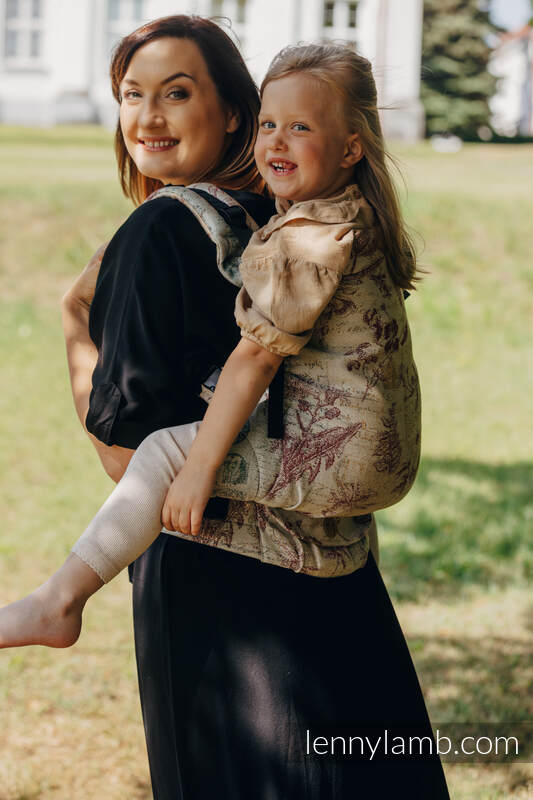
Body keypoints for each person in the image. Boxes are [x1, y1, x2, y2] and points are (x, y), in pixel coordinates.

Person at [1, 17, 449, 799]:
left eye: (177, 92)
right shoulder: (288, 206)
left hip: (223, 609)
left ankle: (57, 601)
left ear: (230, 109)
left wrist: (77, 331)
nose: (148, 116)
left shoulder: (163, 231)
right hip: (338, 577)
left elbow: (125, 447)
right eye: (131, 95)